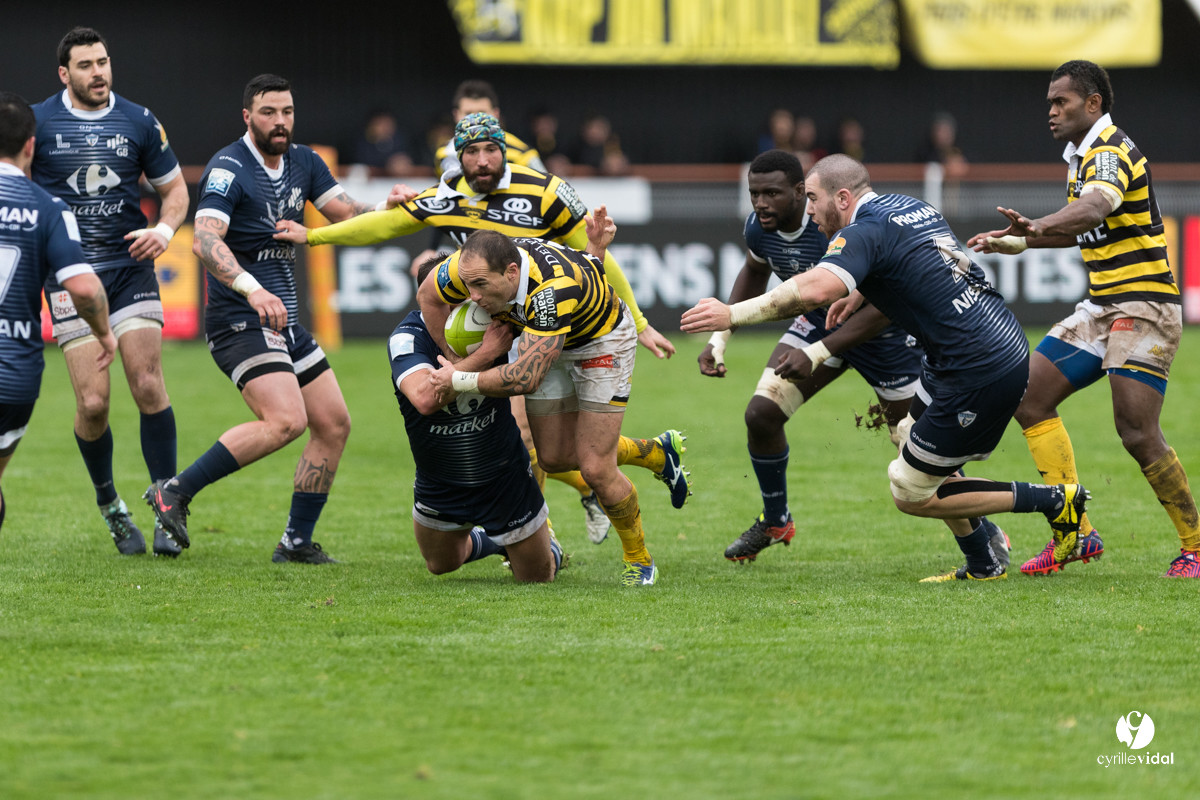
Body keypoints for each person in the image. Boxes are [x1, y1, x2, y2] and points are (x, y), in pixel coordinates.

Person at [682, 154, 1090, 582]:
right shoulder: (909, 206)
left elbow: (817, 288)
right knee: (911, 444)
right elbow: (914, 268)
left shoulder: (863, 229)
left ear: (841, 197)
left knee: (910, 488)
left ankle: (1050, 501)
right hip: (973, 344)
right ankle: (983, 560)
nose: (810, 210)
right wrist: (856, 295)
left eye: (814, 199)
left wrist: (731, 316)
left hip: (967, 362)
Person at [275, 112, 678, 545]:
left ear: (504, 150)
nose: (483, 161)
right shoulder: (448, 195)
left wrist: (638, 322)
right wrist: (315, 238)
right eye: (472, 152)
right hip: (487, 314)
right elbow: (386, 224)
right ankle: (617, 475)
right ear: (459, 157)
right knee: (552, 451)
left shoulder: (545, 191)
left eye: (491, 150)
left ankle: (539, 539)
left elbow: (595, 260)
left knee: (528, 436)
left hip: (551, 318)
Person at [144, 74, 396, 564]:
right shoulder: (229, 168)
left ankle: (295, 542)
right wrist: (252, 287)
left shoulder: (304, 161)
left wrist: (392, 207)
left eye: (287, 112)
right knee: (286, 420)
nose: (279, 122)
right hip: (238, 319)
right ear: (247, 117)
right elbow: (205, 240)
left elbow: (346, 213)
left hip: (284, 323)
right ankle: (173, 491)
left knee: (334, 424)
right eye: (268, 113)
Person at [967, 60, 1199, 579]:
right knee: (1027, 397)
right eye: (1050, 102)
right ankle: (1078, 532)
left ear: (1093, 104)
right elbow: (1084, 229)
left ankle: (1197, 546)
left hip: (1143, 305)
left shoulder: (1110, 151)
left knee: (1137, 432)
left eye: (1061, 102)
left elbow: (1095, 208)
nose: (1050, 112)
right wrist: (1020, 241)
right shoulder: (1082, 156)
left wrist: (1039, 223)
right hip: (1101, 307)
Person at [423, 216, 688, 586]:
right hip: (546, 340)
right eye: (467, 286)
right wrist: (450, 358)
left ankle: (639, 559)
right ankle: (656, 453)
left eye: (481, 286)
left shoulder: (550, 292)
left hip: (601, 342)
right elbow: (427, 295)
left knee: (596, 467)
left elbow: (524, 378)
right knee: (553, 457)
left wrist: (459, 378)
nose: (473, 298)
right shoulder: (470, 264)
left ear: (512, 272)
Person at [697, 150, 923, 563]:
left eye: (772, 193)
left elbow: (885, 304)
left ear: (802, 192)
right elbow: (753, 272)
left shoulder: (836, 226)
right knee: (760, 415)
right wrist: (720, 338)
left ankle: (982, 535)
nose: (761, 203)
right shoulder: (759, 229)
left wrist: (819, 351)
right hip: (819, 325)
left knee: (917, 450)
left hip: (882, 337)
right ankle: (775, 519)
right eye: (755, 193)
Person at [31, 27, 189, 556]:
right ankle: (112, 508)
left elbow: (174, 191)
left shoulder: (140, 120)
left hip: (129, 271)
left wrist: (164, 232)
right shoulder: (39, 124)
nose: (98, 72)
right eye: (85, 65)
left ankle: (168, 506)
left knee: (147, 384)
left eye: (103, 62)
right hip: (72, 279)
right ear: (64, 74)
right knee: (94, 403)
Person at [388, 256, 564, 581]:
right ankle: (495, 542)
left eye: (468, 293)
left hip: (504, 478)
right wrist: (485, 354)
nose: (470, 303)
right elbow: (426, 399)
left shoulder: (497, 323)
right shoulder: (408, 337)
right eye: (451, 299)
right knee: (441, 564)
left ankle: (544, 547)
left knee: (539, 577)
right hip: (441, 481)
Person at [0, 92, 117, 535]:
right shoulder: (48, 209)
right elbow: (84, 288)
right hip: (14, 377)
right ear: (30, 145)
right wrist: (104, 334)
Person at [435, 80, 545, 177]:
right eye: (468, 113)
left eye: (482, 113)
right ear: (456, 115)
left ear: (496, 114)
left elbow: (544, 188)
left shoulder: (523, 154)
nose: (475, 120)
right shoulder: (444, 153)